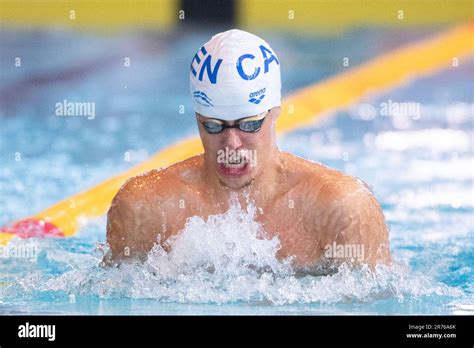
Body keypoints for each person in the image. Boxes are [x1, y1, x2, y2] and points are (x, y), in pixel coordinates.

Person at [104, 29, 391, 270]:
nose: (231, 144)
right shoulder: (146, 209)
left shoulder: (340, 208)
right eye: (214, 126)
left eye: (249, 125)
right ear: (197, 119)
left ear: (275, 113)